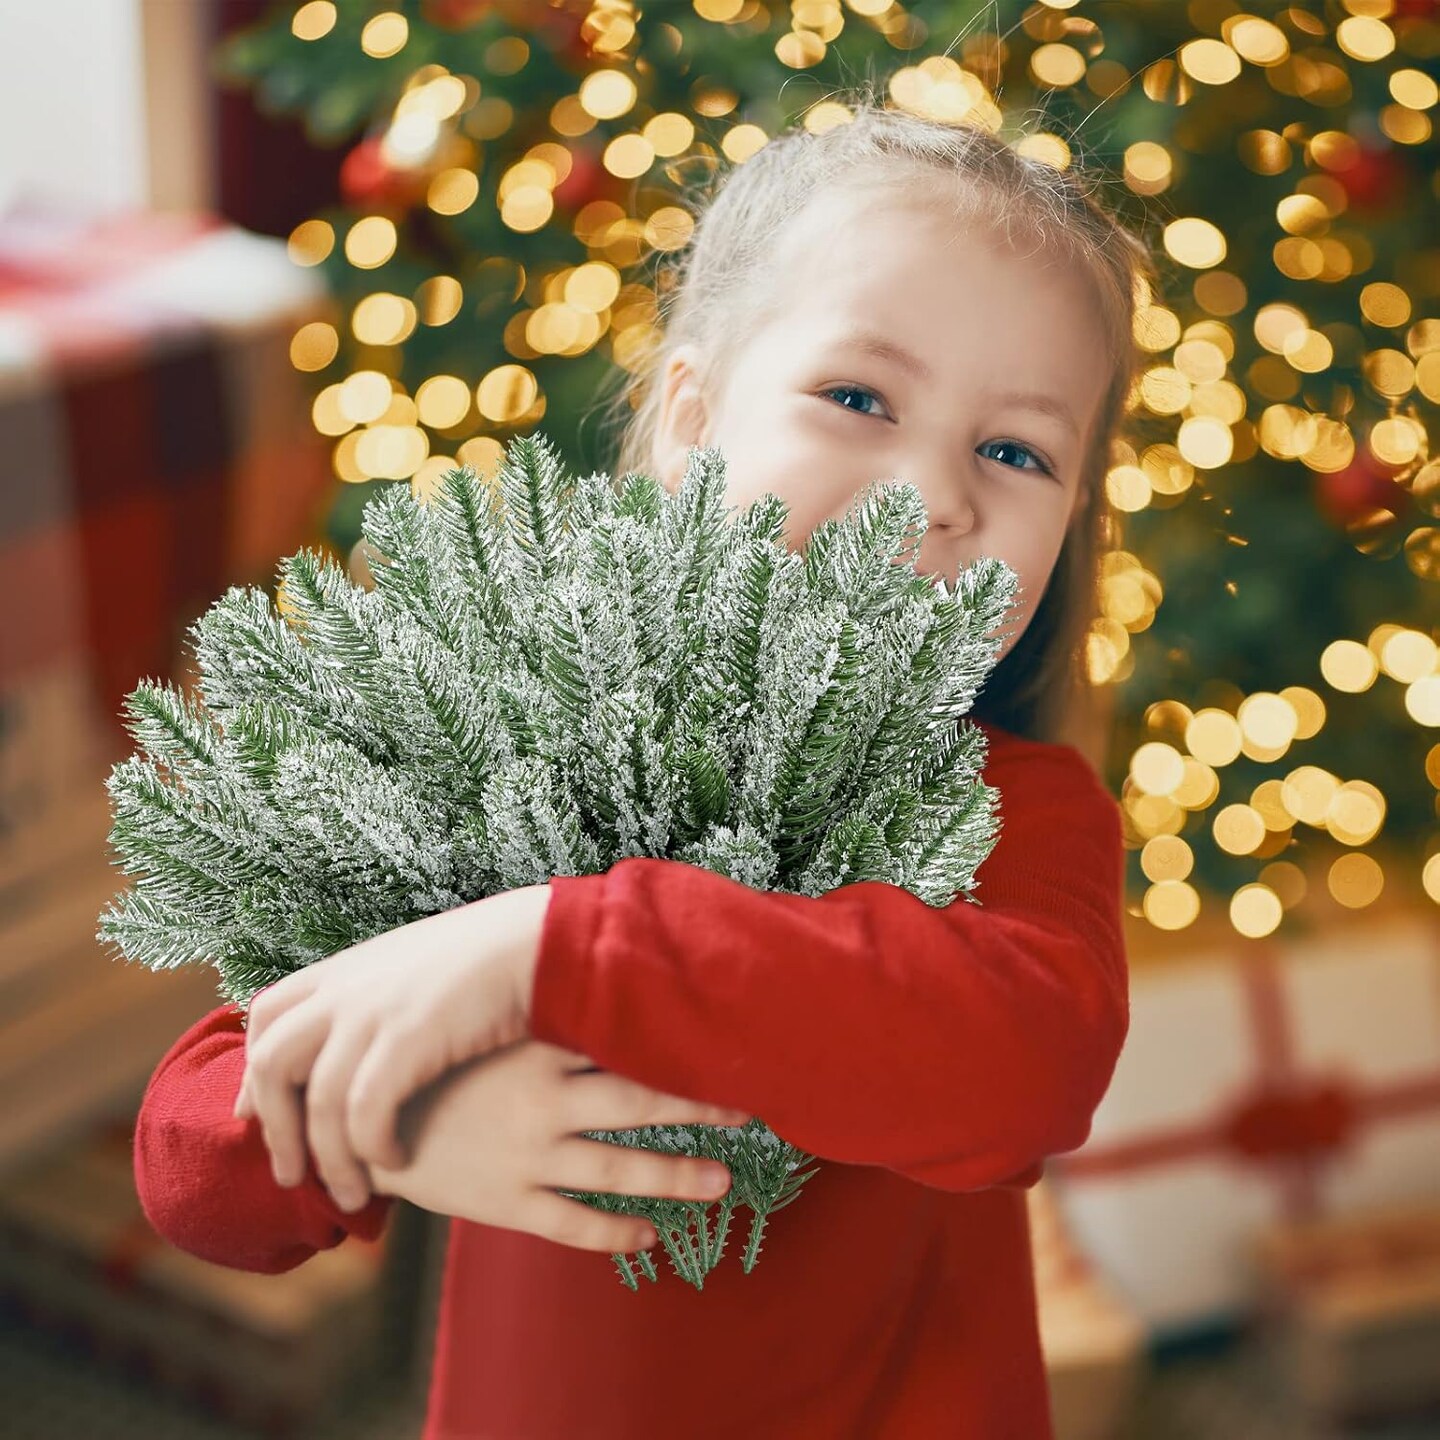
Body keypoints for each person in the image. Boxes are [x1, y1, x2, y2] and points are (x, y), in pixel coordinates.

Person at [134, 94, 1158, 1439]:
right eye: (859, 398)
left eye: (1014, 450)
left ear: (1071, 515)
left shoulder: (1011, 814)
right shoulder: (511, 736)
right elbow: (193, 1157)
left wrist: (550, 946)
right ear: (692, 415)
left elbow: (1024, 1068)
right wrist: (403, 1126)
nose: (933, 492)